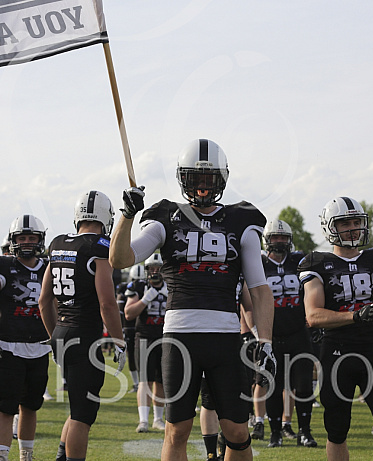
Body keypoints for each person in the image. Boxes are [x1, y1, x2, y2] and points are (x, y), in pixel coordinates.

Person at [110, 138, 276, 461]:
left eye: (209, 179)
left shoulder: (242, 220)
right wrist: (127, 215)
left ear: (221, 180)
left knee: (238, 433)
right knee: (177, 430)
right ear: (182, 179)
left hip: (226, 337)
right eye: (195, 178)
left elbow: (259, 288)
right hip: (180, 339)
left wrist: (265, 341)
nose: (202, 186)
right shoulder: (166, 217)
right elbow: (121, 259)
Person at [298, 197, 373, 461]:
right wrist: (355, 316)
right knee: (337, 429)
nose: (353, 228)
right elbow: (313, 315)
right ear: (330, 228)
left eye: (356, 222)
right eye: (345, 223)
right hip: (337, 352)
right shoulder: (316, 263)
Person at [38, 191, 126, 461]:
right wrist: (119, 340)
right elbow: (107, 303)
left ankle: (61, 457)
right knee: (83, 415)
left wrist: (55, 337)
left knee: (79, 406)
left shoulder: (59, 243)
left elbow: (44, 301)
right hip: (83, 335)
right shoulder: (99, 246)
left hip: (63, 330)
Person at [0, 215, 51, 461]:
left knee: (31, 406)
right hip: (8, 346)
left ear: (40, 240)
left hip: (40, 346)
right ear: (13, 240)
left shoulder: (49, 267)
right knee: (6, 407)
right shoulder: (2, 266)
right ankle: (1, 456)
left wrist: (58, 336)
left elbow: (56, 306)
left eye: (31, 238)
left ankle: (26, 454)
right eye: (22, 238)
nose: (27, 242)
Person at [258, 219, 317, 448]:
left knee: (303, 386)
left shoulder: (299, 262)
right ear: (268, 240)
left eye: (283, 237)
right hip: (271, 336)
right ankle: (275, 433)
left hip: (298, 333)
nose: (280, 241)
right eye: (275, 237)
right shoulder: (259, 264)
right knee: (273, 387)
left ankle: (304, 431)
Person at [125, 253, 167, 433]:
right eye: (152, 268)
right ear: (147, 269)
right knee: (145, 380)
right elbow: (128, 313)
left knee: (162, 381)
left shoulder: (172, 287)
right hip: (144, 337)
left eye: (159, 268)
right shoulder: (139, 286)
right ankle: (143, 420)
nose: (155, 271)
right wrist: (146, 299)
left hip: (167, 338)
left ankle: (158, 418)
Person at [122, 264, 145, 394]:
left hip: (144, 327)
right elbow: (123, 311)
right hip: (131, 326)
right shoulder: (127, 288)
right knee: (131, 355)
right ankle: (137, 383)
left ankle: (140, 383)